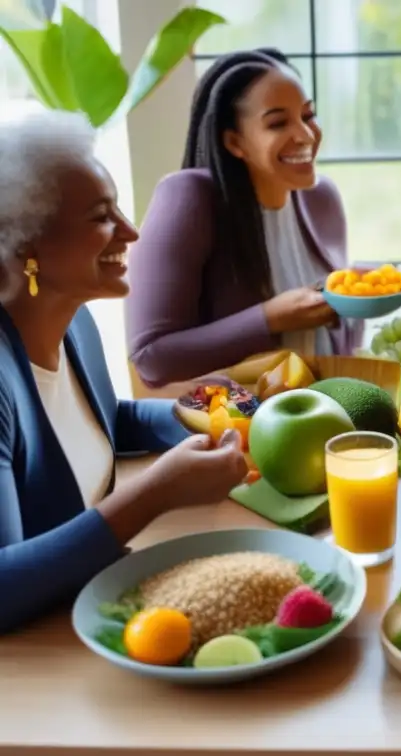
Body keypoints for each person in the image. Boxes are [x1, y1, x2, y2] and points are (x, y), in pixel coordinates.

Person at [0, 111, 248, 634]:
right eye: (101, 216)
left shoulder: (76, 324)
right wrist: (156, 493)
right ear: (25, 246)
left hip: (89, 608)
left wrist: (202, 415)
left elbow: (109, 419)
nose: (131, 232)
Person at [126, 48, 363, 388]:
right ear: (234, 141)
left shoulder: (322, 198)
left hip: (330, 409)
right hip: (233, 429)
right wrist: (270, 318)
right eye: (278, 122)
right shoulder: (190, 197)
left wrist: (368, 290)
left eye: (308, 115)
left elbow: (335, 332)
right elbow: (152, 359)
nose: (306, 135)